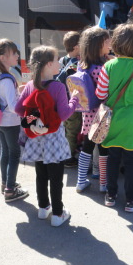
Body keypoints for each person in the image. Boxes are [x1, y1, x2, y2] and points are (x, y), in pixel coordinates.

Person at [14, 46, 79, 227]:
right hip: (54, 139)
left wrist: (35, 118)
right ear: (49, 64)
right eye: (57, 60)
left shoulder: (30, 85)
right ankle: (58, 214)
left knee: (41, 175)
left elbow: (19, 109)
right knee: (56, 178)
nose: (59, 63)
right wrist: (74, 99)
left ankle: (43, 208)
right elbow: (64, 114)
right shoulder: (58, 87)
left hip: (35, 138)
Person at [96, 23, 133, 213]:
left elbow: (100, 93)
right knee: (130, 161)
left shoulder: (108, 66)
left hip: (112, 120)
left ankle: (110, 195)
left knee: (112, 158)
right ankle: (131, 200)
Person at [0, 39, 28, 203]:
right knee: (14, 154)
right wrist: (26, 107)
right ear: (3, 57)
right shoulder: (7, 79)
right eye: (14, 53)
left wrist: (18, 91)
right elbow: (13, 106)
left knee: (5, 151)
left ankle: (5, 183)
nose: (17, 56)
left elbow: (3, 98)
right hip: (11, 122)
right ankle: (10, 190)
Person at [74, 26, 112, 193]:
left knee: (87, 148)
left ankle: (80, 181)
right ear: (98, 45)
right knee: (103, 150)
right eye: (107, 41)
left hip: (87, 114)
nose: (110, 43)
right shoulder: (101, 69)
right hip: (102, 115)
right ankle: (103, 184)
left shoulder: (82, 65)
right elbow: (106, 92)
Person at [58, 31, 83, 167]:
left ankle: (64, 152)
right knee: (72, 131)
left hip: (61, 102)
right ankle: (68, 158)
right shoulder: (77, 63)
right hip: (73, 104)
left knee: (65, 129)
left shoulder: (61, 60)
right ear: (76, 47)